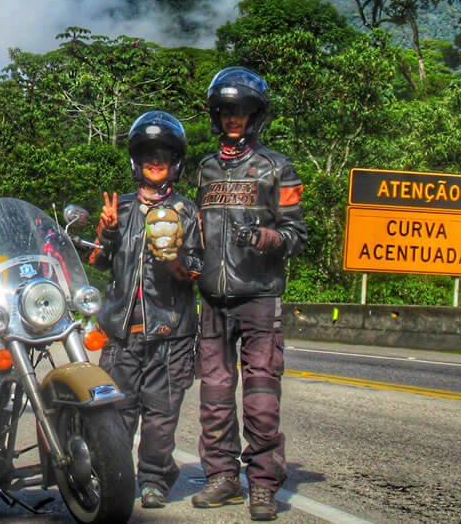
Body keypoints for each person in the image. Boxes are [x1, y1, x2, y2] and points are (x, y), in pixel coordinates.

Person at [191, 67, 307, 521]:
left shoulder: (277, 167)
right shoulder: (204, 169)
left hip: (259, 297)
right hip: (212, 300)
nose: (233, 118)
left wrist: (265, 237)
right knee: (214, 394)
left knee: (261, 397)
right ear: (217, 116)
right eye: (226, 111)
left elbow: (297, 233)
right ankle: (221, 477)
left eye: (241, 111)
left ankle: (262, 484)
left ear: (255, 115)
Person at [89, 110, 202, 510]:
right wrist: (107, 232)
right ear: (138, 162)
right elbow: (100, 264)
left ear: (175, 163)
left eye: (165, 155)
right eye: (149, 155)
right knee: (116, 415)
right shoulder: (118, 208)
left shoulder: (188, 211)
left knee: (161, 414)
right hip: (122, 332)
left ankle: (155, 478)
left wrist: (173, 259)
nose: (157, 162)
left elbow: (197, 270)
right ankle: (114, 478)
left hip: (170, 332)